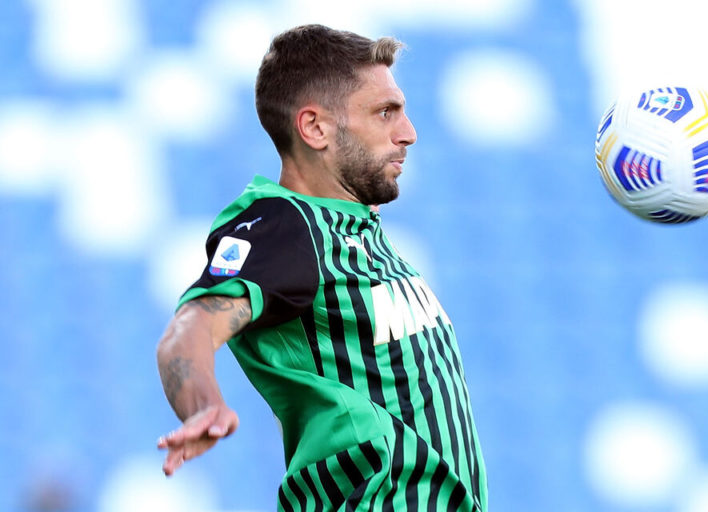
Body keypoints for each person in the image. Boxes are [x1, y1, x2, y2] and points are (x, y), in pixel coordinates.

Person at [155, 24, 487, 511]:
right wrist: (202, 404)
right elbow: (189, 329)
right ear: (315, 128)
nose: (408, 133)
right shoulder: (285, 226)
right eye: (385, 112)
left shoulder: (356, 232)